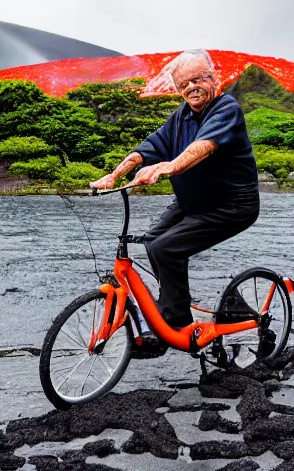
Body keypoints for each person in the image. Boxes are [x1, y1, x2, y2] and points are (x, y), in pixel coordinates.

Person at [90, 49, 259, 333]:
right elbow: (149, 147)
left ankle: (176, 321)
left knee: (165, 249)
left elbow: (203, 146)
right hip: (193, 201)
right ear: (179, 89)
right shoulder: (180, 117)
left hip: (231, 206)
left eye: (198, 79)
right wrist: (115, 175)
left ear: (213, 77)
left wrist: (169, 166)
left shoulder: (226, 108)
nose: (192, 87)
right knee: (152, 240)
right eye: (184, 84)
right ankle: (173, 303)